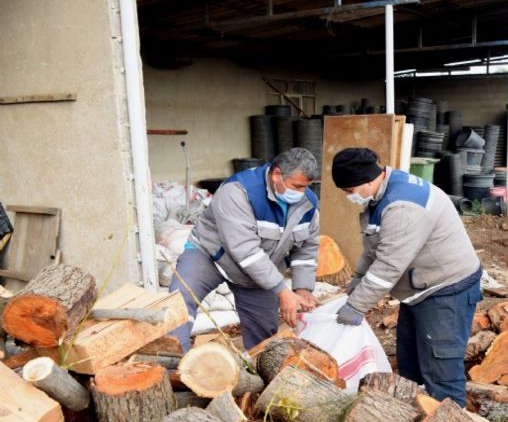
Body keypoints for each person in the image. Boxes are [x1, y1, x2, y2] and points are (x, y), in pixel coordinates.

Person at [331, 147, 482, 406]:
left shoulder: (402, 206)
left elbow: (389, 265)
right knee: (410, 363)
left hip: (445, 290)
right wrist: (358, 278)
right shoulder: (381, 193)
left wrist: (356, 306)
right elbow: (375, 245)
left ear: (367, 179)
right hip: (418, 290)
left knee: (441, 370)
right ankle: (414, 416)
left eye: (349, 190)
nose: (349, 196)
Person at [169, 148, 320, 351]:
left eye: (306, 187)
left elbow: (306, 249)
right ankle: (175, 368)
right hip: (209, 255)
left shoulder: (307, 204)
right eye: (297, 186)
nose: (301, 193)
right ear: (277, 174)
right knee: (178, 306)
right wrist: (281, 291)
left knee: (265, 340)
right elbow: (245, 250)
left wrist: (303, 288)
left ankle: (258, 376)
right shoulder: (238, 192)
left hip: (258, 267)